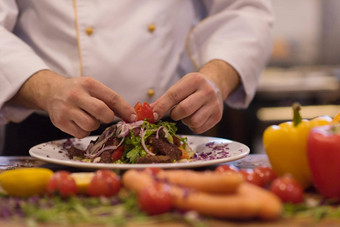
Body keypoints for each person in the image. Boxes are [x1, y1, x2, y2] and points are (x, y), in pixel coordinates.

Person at [0, 0, 274, 155]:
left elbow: (243, 9)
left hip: (171, 138)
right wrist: (46, 89)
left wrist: (218, 77)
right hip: (49, 137)